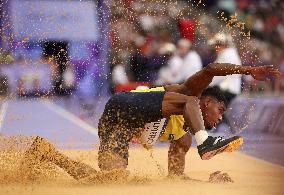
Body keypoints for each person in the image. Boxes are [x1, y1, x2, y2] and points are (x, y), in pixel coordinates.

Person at [24, 63, 281, 181]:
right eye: (220, 110)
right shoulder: (192, 94)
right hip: (125, 103)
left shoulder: (183, 138)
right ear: (208, 101)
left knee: (111, 179)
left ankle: (46, 153)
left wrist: (207, 181)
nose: (220, 117)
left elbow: (176, 177)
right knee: (187, 99)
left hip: (116, 124)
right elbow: (210, 70)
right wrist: (247, 71)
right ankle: (207, 144)